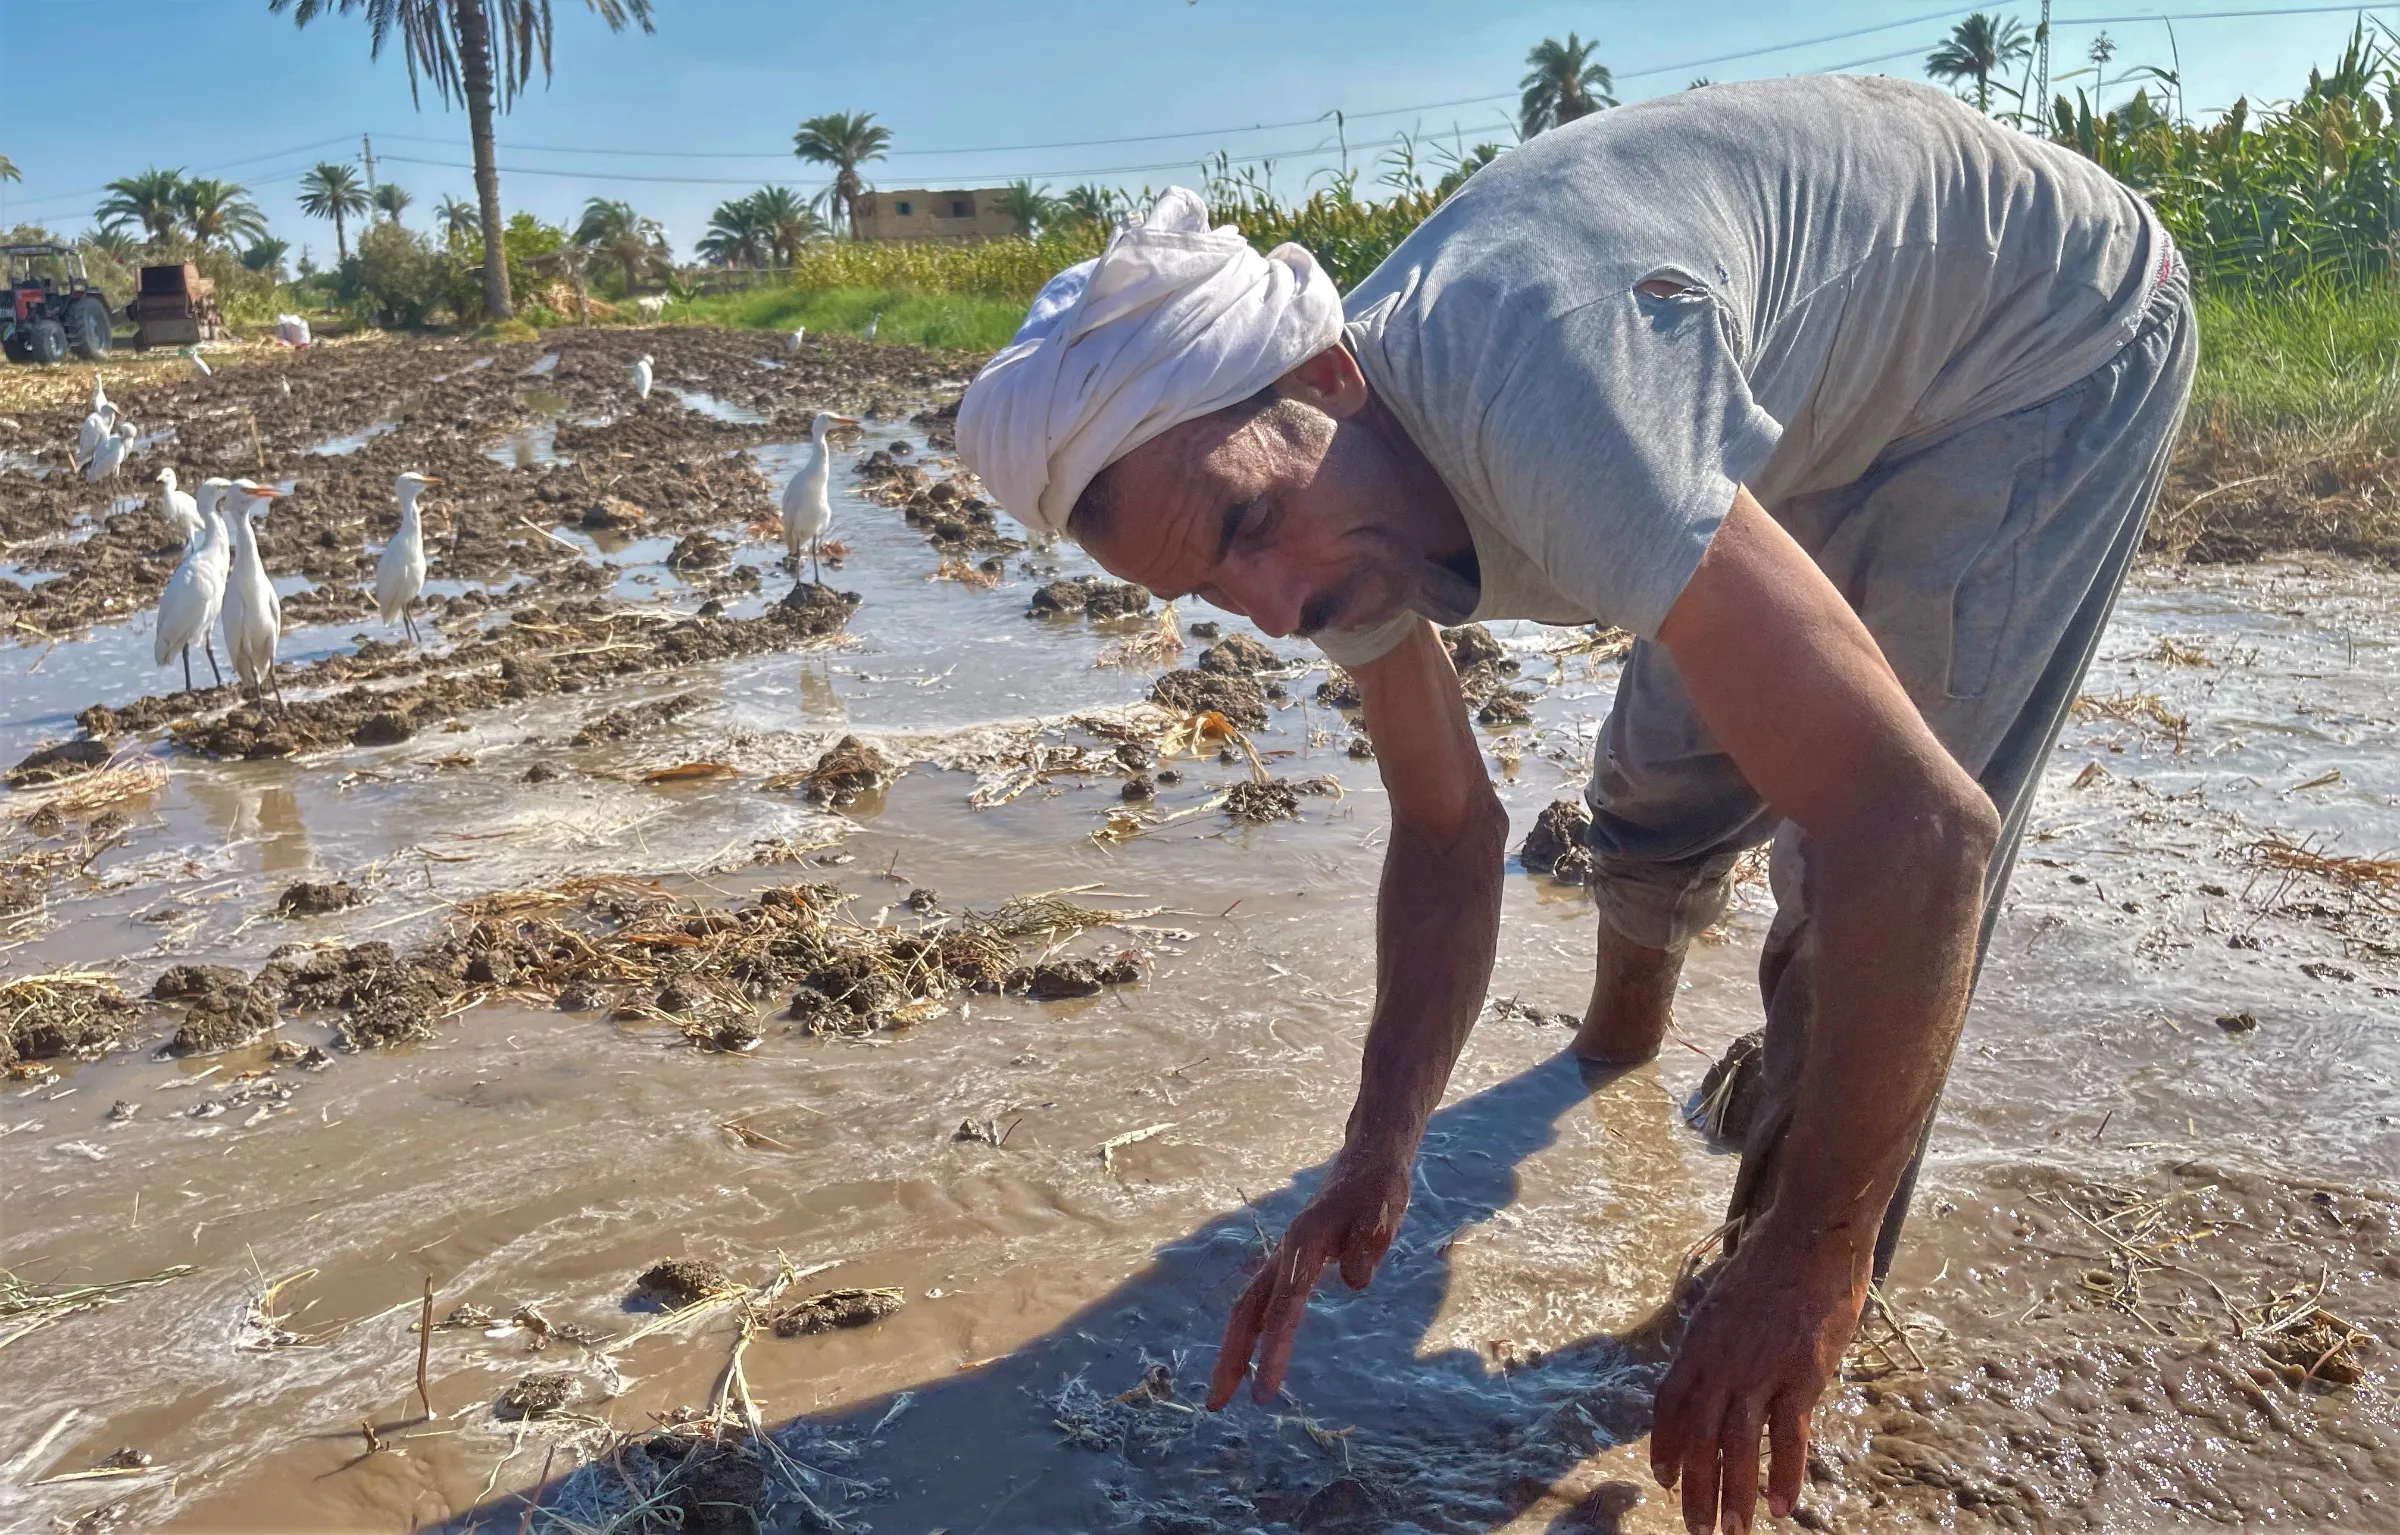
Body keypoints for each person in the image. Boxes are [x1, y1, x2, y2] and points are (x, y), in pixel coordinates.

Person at [957, 74, 2193, 1535]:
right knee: (1656, 780)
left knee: (1849, 861)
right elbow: (1445, 827)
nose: (1277, 610)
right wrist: (1382, 1138)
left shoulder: (1547, 396)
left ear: (1330, 378)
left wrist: (1808, 1248)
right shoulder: (1320, 503)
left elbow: (1916, 837)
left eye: (1244, 527)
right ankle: (1618, 1048)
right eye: (1208, 586)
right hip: (1812, 386)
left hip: (2043, 336)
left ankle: (1792, 1317)